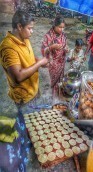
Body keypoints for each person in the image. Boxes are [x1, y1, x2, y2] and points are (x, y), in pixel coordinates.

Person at [0, 10, 49, 171]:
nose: (32, 31)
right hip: (24, 98)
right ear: (19, 26)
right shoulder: (8, 48)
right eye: (30, 28)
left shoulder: (24, 38)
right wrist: (40, 63)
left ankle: (32, 144)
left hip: (33, 91)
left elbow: (30, 58)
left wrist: (37, 60)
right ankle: (25, 155)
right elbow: (18, 76)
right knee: (26, 126)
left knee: (34, 124)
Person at [41, 15, 68, 98]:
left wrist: (66, 49)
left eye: (63, 27)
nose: (62, 29)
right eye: (60, 27)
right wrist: (51, 47)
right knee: (55, 82)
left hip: (62, 62)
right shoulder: (48, 36)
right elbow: (43, 50)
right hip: (53, 65)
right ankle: (54, 98)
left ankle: (59, 95)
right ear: (55, 25)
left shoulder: (63, 35)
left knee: (61, 80)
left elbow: (65, 45)